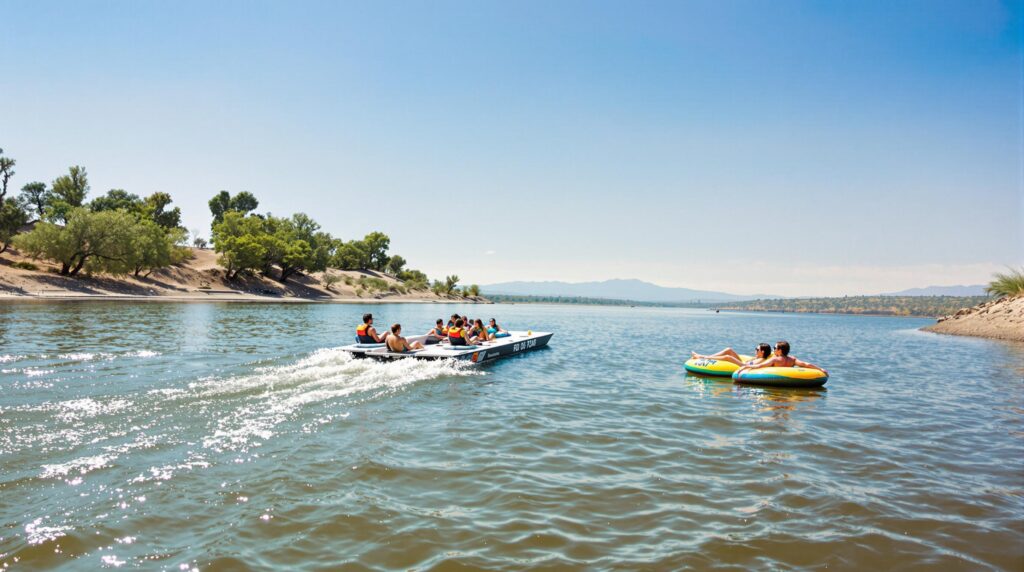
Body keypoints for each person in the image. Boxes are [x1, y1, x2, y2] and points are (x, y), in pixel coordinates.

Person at [736, 341, 828, 375]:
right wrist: (821, 369)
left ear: (780, 350)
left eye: (775, 348)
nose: (774, 350)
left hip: (775, 378)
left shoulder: (775, 359)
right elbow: (806, 364)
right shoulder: (792, 359)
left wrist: (745, 367)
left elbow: (759, 366)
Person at [692, 343, 772, 367]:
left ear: (763, 352)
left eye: (757, 349)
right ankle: (707, 356)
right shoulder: (758, 357)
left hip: (743, 365)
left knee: (727, 357)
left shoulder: (762, 360)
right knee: (728, 350)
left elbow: (749, 366)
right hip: (744, 362)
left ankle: (702, 357)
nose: (755, 350)